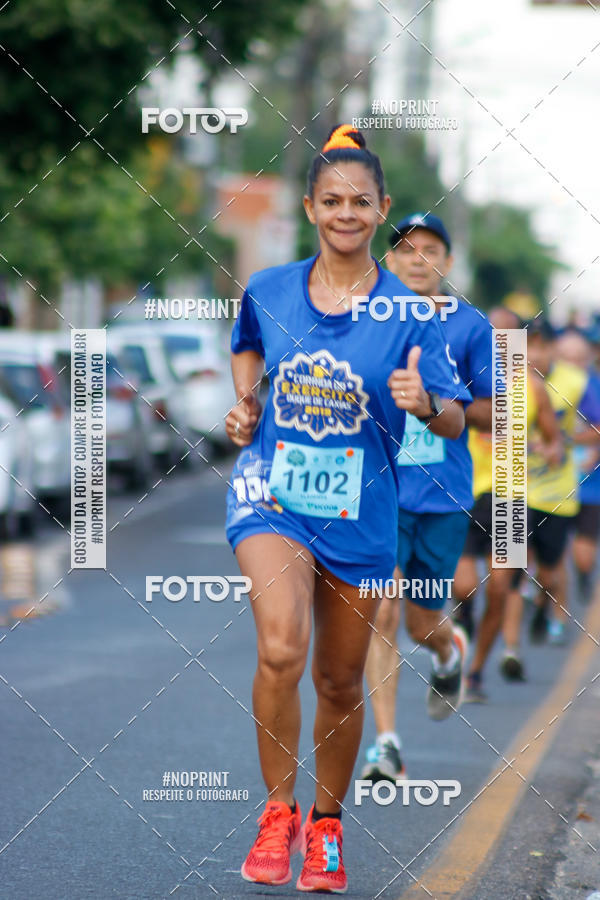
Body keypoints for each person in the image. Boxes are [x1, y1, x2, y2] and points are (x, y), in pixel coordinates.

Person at [224, 126, 471, 893]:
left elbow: (456, 418)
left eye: (360, 202)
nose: (345, 213)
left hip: (361, 510)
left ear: (381, 209)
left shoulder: (410, 313)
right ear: (310, 208)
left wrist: (423, 402)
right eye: (331, 200)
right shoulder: (269, 290)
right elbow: (247, 346)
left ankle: (326, 827)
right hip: (272, 494)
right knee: (280, 647)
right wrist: (246, 403)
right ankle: (277, 815)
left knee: (338, 681)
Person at [361, 212, 490, 782]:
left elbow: (498, 411)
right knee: (382, 610)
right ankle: (386, 744)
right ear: (389, 260)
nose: (417, 260)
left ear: (447, 262)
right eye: (406, 250)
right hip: (379, 489)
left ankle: (447, 650)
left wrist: (435, 403)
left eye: (430, 250)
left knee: (420, 624)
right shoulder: (367, 319)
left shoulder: (473, 327)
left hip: (443, 493)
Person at [454, 308, 562, 698]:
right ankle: (462, 617)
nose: (499, 344)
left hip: (512, 499)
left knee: (500, 589)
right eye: (491, 335)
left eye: (506, 336)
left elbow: (553, 439)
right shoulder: (464, 379)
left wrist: (549, 450)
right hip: (465, 494)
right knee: (465, 586)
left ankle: (475, 673)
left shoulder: (533, 388)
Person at [505, 318, 600, 653]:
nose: (534, 355)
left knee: (551, 569)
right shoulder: (503, 380)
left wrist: (564, 442)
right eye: (526, 347)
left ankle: (548, 603)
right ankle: (510, 651)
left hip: (557, 493)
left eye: (541, 346)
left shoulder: (575, 381)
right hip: (513, 490)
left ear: (552, 350)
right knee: (511, 567)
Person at [554, 329, 600, 605]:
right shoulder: (544, 383)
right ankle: (553, 613)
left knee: (583, 554)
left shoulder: (593, 387)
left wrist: (571, 441)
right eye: (565, 358)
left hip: (589, 485)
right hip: (549, 486)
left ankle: (584, 576)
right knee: (554, 555)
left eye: (577, 358)